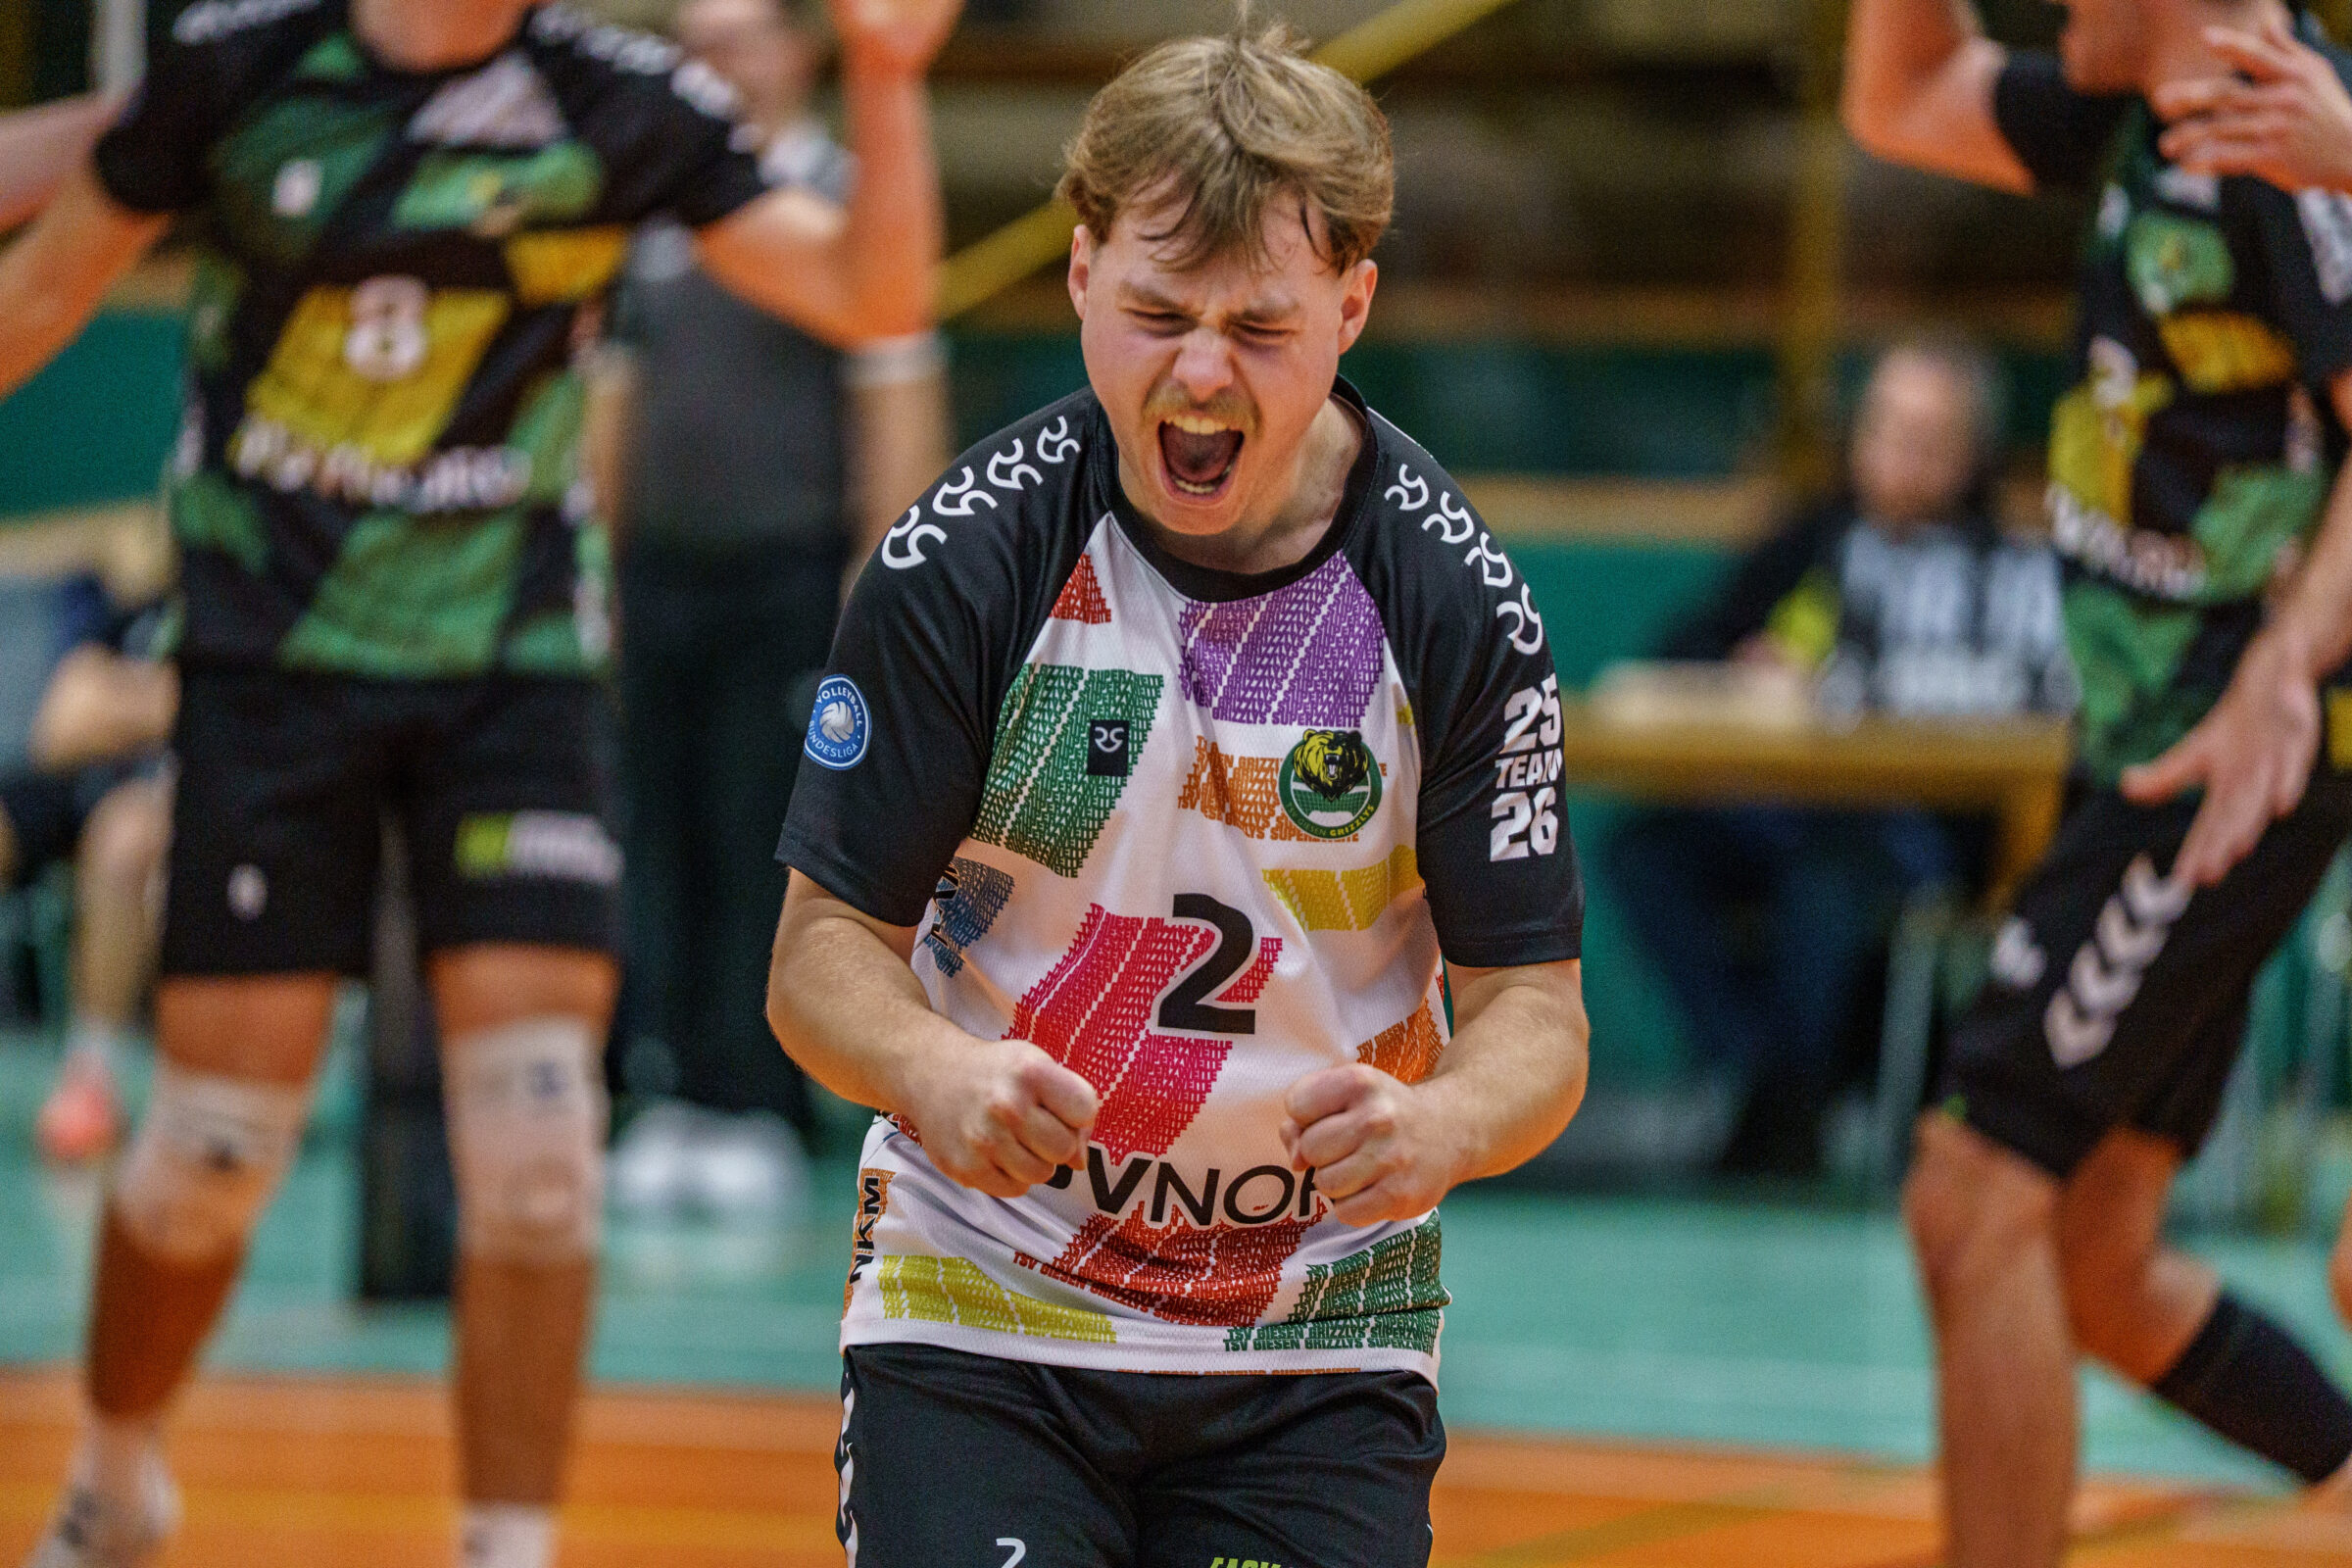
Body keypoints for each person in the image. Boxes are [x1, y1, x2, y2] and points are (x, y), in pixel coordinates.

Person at [0, 1, 959, 1566]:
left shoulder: (612, 99)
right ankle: (115, 1482)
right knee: (212, 1149)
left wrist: (889, 76)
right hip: (272, 667)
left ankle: (506, 1546)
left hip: (511, 675)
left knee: (535, 1165)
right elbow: (34, 300)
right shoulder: (244, 74)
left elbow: (876, 294)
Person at [767, 24, 1591, 1566]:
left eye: (1259, 328)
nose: (1200, 372)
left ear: (1352, 306)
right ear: (1081, 275)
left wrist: (1448, 1124)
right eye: (1157, 314)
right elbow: (820, 958)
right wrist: (933, 1071)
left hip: (1312, 1334)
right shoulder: (966, 565)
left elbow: (1535, 1015)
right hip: (988, 1301)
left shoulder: (1456, 603)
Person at [1846, 2, 2352, 1563]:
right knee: (2095, 1253)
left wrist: (2285, 662)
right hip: (2149, 737)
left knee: (1972, 1189)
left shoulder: (2284, 133)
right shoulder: (2148, 105)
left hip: (2230, 755)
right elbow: (1902, 95)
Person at [589, 0, 949, 1219]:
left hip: (787, 580)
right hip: (660, 576)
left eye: (739, 38)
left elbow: (895, 385)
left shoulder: (848, 201)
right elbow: (612, 400)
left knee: (766, 834)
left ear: (798, 51)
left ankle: (757, 1101)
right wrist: (594, 568)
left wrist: (879, 590)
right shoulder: (653, 215)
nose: (717, 65)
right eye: (695, 43)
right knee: (659, 830)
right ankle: (671, 1089)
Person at [1606, 339, 2072, 1176]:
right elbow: (1686, 645)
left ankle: (1790, 1100)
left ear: (1970, 457)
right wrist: (1748, 667)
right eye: (1883, 428)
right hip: (1788, 806)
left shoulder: (1999, 572)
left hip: (1921, 830)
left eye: (1925, 439)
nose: (1896, 457)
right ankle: (1769, 1074)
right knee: (1649, 852)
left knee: (1826, 889)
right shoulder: (1816, 538)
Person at [11, 604, 179, 1164]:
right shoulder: (125, 606)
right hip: (80, 780)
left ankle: (92, 1078)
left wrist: (122, 701)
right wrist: (160, 701)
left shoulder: (251, 598)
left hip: (171, 794)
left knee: (122, 841)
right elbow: (59, 728)